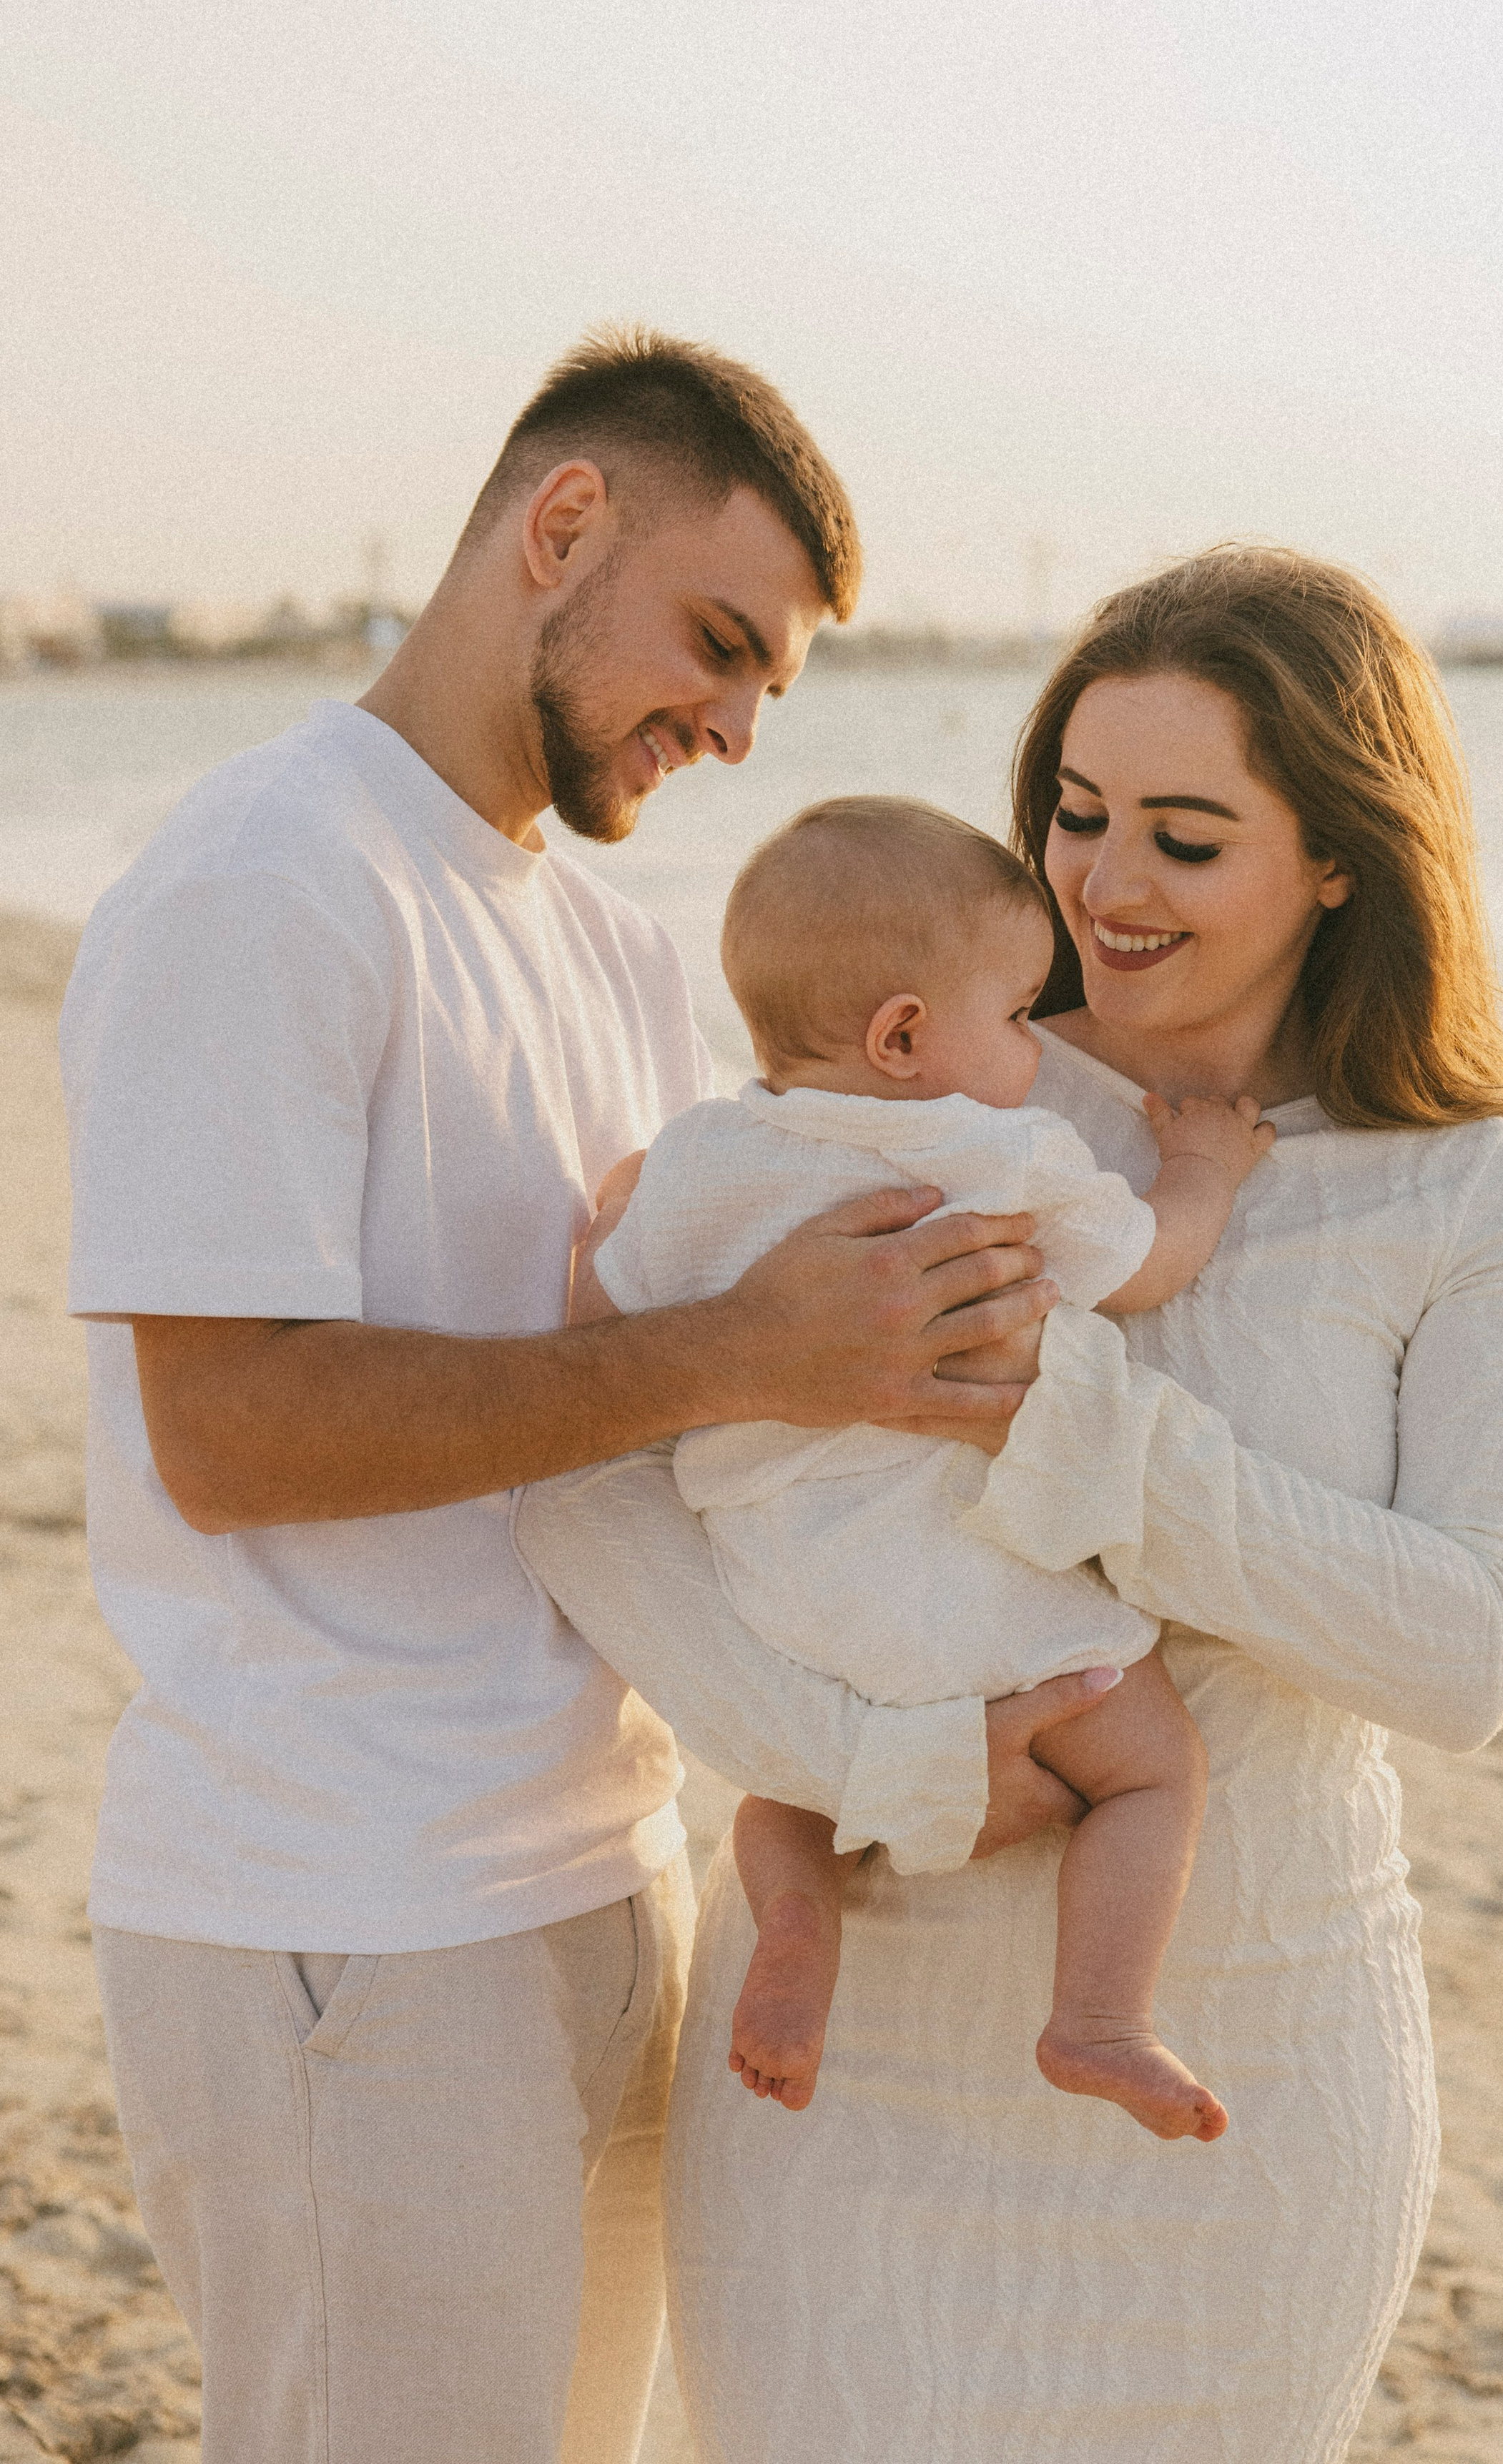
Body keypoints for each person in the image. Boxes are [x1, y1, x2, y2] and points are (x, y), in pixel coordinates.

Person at [59, 327, 1113, 2464]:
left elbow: (667, 1453)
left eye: (770, 689)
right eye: (717, 645)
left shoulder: (625, 958)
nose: (734, 728)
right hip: (338, 1911)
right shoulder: (268, 879)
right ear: (560, 527)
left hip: (606, 1883)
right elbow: (227, 1433)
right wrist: (741, 1349)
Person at [516, 543, 1503, 2464]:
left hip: (1250, 2069)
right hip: (844, 2057)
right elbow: (594, 1477)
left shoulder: (1474, 1194)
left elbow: (1462, 1654)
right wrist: (873, 1760)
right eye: (1078, 813)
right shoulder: (921, 1080)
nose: (1105, 883)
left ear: (1338, 856)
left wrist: (1077, 1423)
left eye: (1185, 838)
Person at [577, 795, 1275, 2139]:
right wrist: (1204, 1169)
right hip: (957, 1586)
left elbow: (600, 1327)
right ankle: (1101, 2018)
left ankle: (798, 1924)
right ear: (904, 1036)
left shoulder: (703, 1158)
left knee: (791, 1797)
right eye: (1013, 1016)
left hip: (779, 1592)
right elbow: (1148, 1263)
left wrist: (618, 1215)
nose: (1034, 1045)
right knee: (1151, 1771)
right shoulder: (990, 1155)